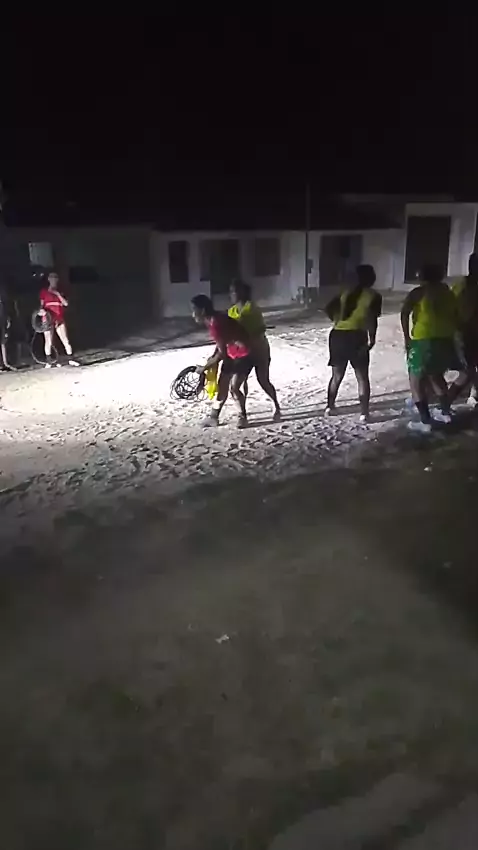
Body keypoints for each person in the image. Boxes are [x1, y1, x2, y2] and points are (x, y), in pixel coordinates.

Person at [400, 263, 462, 434]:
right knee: (436, 376)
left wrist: (407, 337)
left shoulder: (418, 292)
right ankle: (445, 412)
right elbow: (456, 316)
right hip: (445, 339)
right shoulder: (448, 293)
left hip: (424, 339)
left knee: (416, 380)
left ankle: (425, 421)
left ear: (422, 276)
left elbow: (404, 313)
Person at [324, 264, 382, 422]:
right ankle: (364, 413)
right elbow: (372, 319)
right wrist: (372, 338)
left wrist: (337, 320)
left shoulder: (345, 292)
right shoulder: (373, 296)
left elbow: (328, 309)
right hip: (357, 335)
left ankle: (330, 407)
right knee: (362, 376)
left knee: (336, 375)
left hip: (337, 335)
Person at [192, 294, 254, 427]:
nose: (193, 314)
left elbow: (222, 353)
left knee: (234, 387)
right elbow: (222, 344)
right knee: (223, 387)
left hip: (244, 354)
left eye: (194, 310)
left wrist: (204, 368)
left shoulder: (216, 324)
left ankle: (242, 417)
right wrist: (212, 360)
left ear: (202, 310)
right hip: (233, 353)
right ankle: (214, 417)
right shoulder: (216, 319)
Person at [228, 280, 281, 421]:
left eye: (234, 291)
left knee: (263, 380)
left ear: (242, 292)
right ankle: (242, 414)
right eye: (231, 291)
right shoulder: (231, 311)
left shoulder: (252, 309)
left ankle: (276, 405)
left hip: (259, 350)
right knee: (235, 386)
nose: (231, 294)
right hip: (242, 353)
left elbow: (259, 330)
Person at [447, 252, 478, 407]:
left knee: (468, 370)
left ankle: (473, 395)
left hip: (465, 332)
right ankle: (445, 403)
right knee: (467, 371)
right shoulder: (461, 287)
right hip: (465, 333)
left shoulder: (459, 286)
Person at [39, 272, 79, 368]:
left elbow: (65, 304)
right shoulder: (44, 292)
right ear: (48, 279)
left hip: (59, 318)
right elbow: (41, 306)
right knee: (48, 340)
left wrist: (57, 294)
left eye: (55, 277)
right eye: (51, 277)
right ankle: (49, 361)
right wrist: (41, 311)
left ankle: (71, 359)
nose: (53, 279)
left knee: (65, 340)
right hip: (48, 319)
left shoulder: (61, 291)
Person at [0, 284, 16, 371]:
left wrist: (7, 319)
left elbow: (6, 309)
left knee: (3, 342)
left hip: (2, 321)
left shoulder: (3, 295)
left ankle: (5, 363)